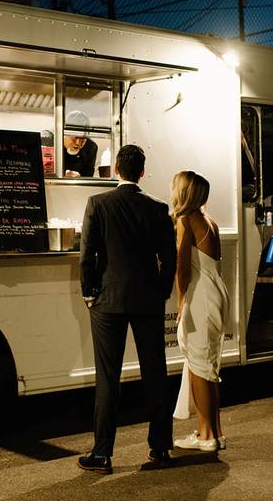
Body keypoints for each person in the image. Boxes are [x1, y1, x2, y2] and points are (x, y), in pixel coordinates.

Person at [77, 144, 177, 473]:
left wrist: (89, 293)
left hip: (107, 301)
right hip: (147, 300)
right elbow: (169, 257)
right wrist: (162, 291)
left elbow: (87, 254)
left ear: (116, 169)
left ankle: (103, 454)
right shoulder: (157, 209)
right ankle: (160, 449)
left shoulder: (98, 204)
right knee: (155, 374)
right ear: (142, 172)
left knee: (108, 378)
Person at [170, 170, 231, 452]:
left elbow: (182, 267)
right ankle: (214, 431)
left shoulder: (185, 220)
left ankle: (206, 436)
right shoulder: (210, 221)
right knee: (209, 367)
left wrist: (180, 301)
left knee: (199, 366)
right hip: (216, 292)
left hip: (200, 296)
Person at [63, 110, 98, 178]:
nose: (78, 143)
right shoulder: (53, 143)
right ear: (65, 133)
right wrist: (62, 174)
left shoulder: (91, 147)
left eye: (83, 139)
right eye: (75, 137)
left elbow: (88, 177)